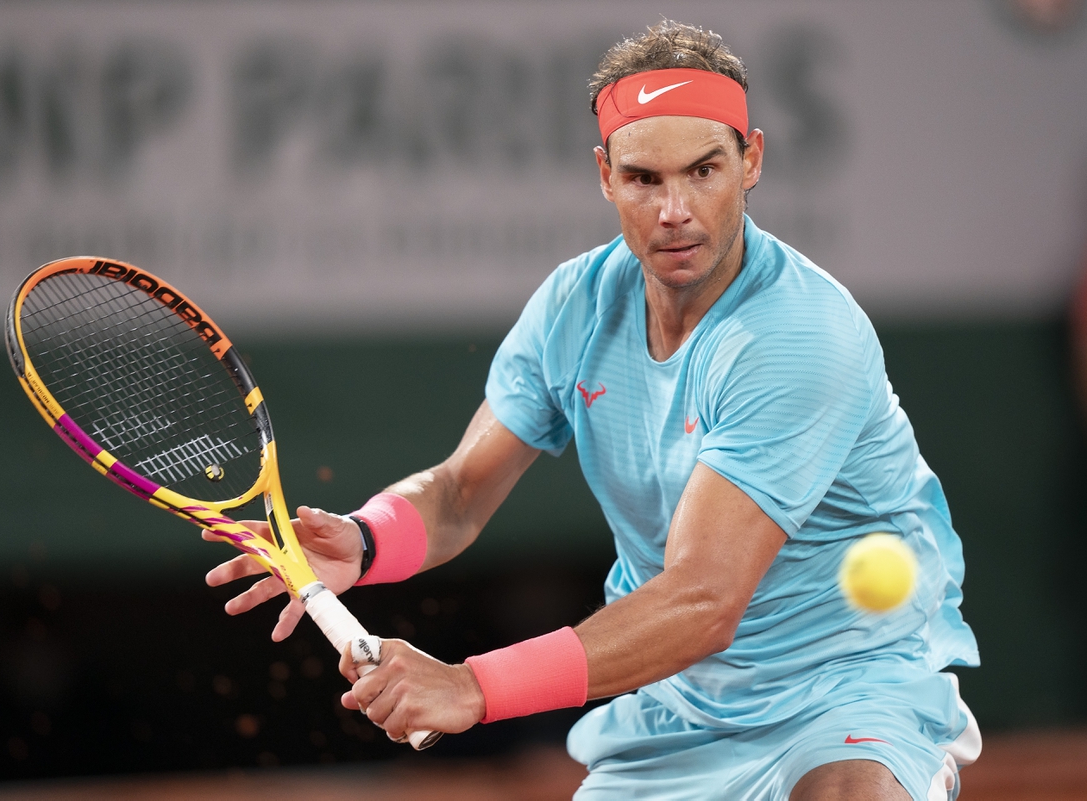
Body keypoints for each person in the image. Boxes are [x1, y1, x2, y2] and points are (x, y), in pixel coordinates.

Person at [205, 20, 981, 800]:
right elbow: (460, 491)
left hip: (846, 686)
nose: (675, 208)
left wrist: (472, 686)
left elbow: (703, 600)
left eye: (704, 170)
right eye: (646, 179)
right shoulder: (576, 304)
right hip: (678, 705)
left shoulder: (798, 336)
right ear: (606, 176)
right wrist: (367, 539)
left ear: (751, 161)